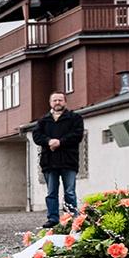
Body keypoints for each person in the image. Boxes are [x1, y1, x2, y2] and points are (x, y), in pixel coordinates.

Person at [32, 91, 84, 226]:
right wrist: (49, 141)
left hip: (69, 161)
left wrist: (60, 142)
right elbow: (37, 136)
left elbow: (77, 135)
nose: (57, 103)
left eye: (60, 100)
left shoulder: (74, 118)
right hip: (49, 162)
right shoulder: (43, 121)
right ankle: (53, 219)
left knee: (70, 192)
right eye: (55, 100)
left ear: (65, 102)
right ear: (50, 103)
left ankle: (72, 218)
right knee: (51, 192)